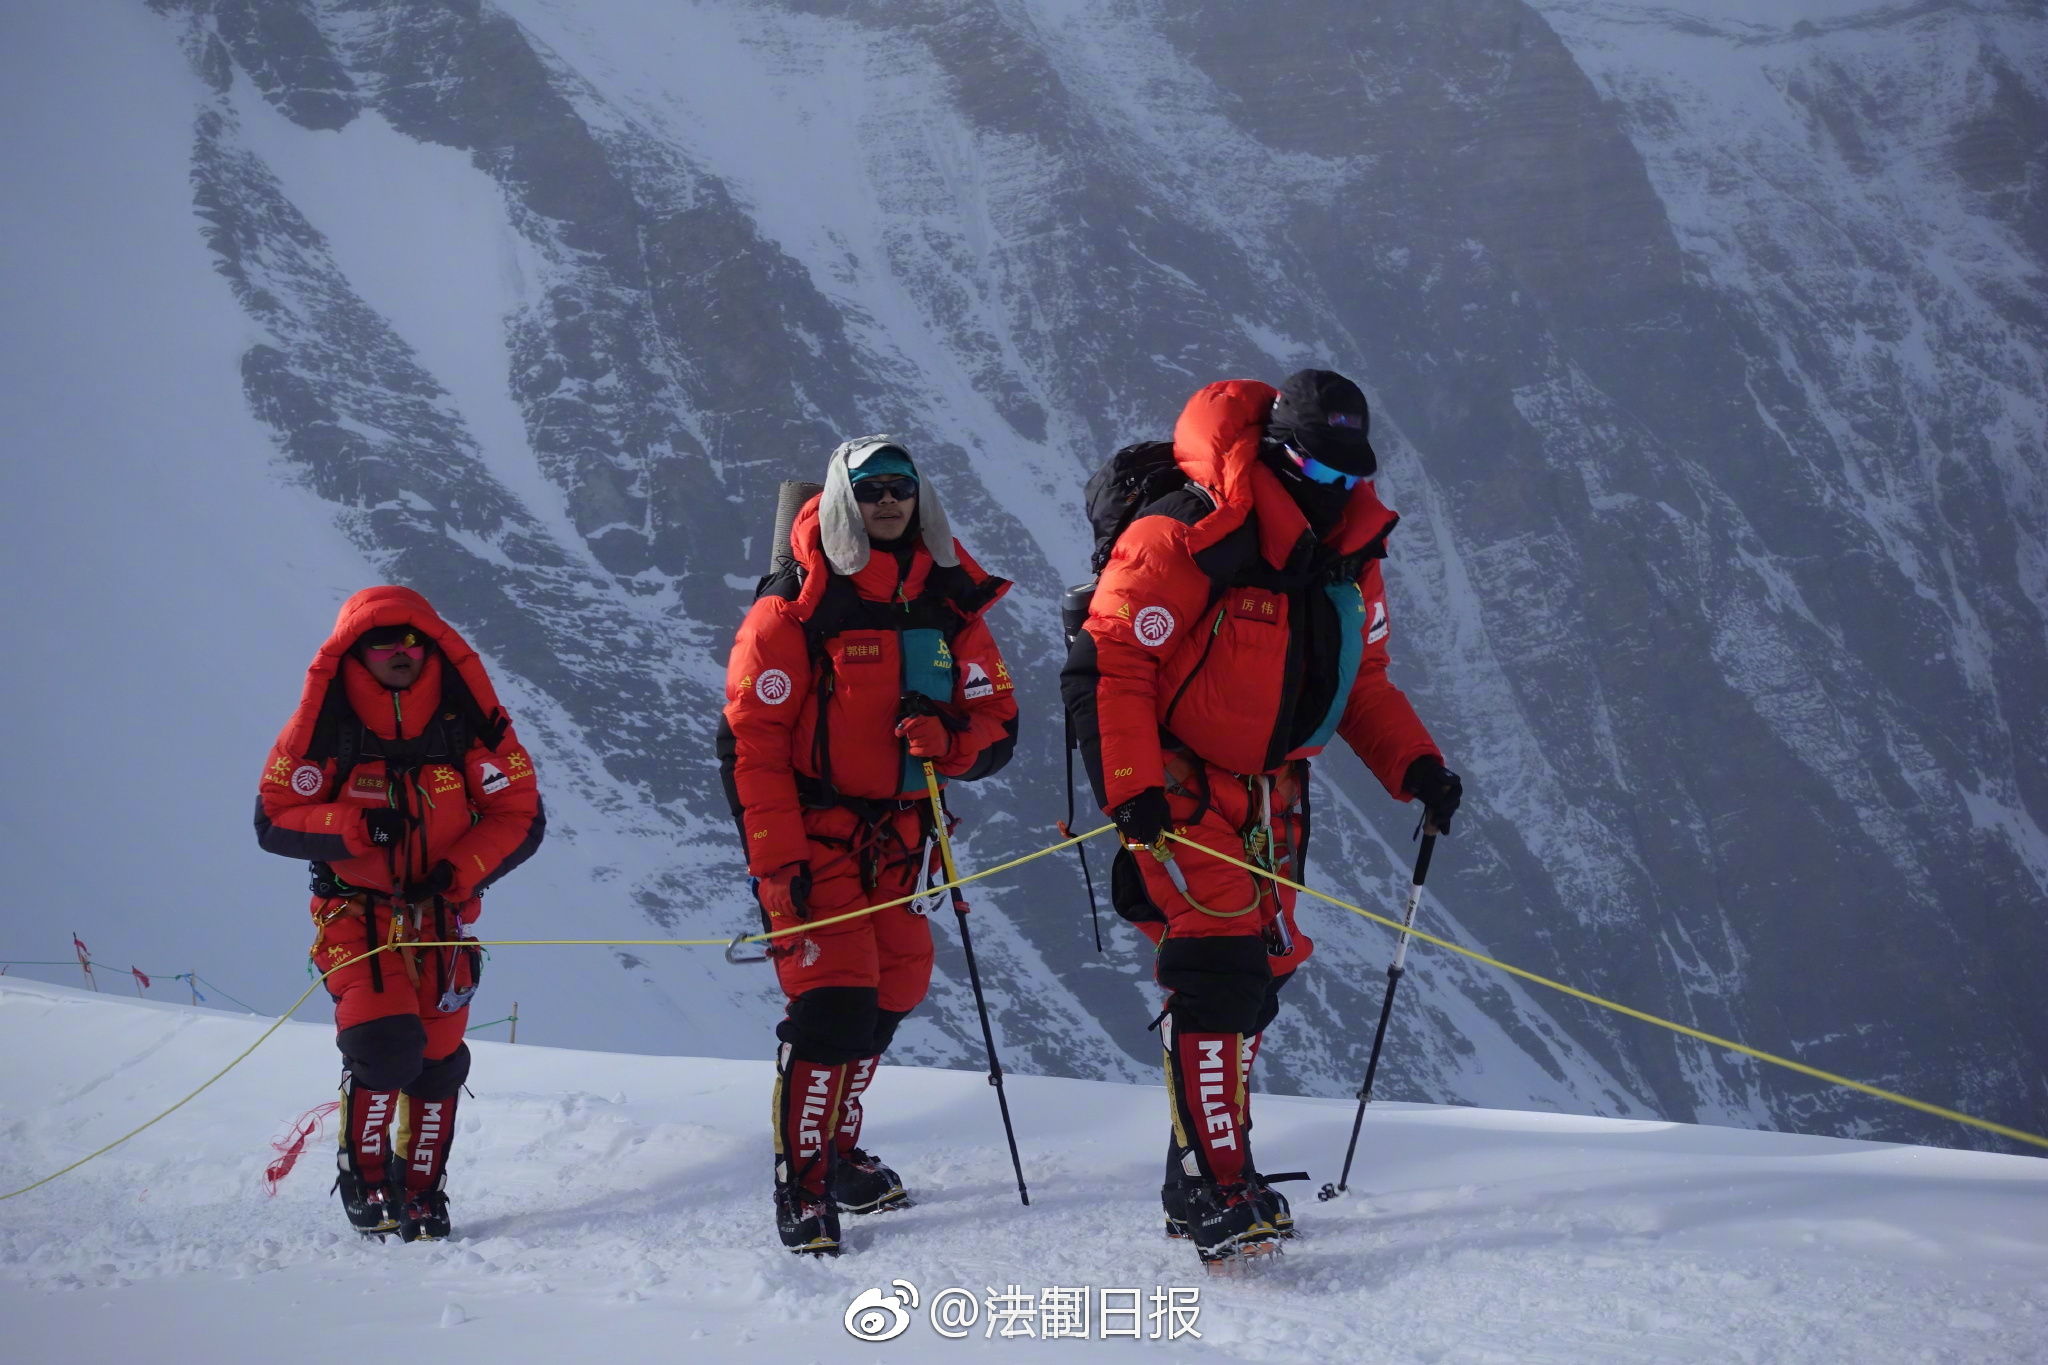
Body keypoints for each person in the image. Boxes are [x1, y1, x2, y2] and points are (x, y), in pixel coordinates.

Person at [1062, 371, 1463, 1265]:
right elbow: (1110, 661)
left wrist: (1418, 766)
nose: (1335, 491)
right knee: (1218, 970)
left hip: (1272, 789)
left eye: (1349, 476)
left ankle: (1195, 1179)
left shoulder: (1349, 555)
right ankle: (1218, 1187)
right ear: (1280, 452)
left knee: (1262, 976)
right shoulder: (1187, 530)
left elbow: (1362, 685)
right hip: (1175, 781)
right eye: (1319, 472)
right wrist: (1129, 788)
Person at [719, 438, 1019, 1255]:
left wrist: (948, 739)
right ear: (848, 501)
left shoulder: (949, 602)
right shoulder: (796, 606)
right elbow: (751, 746)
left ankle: (837, 1148)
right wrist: (777, 866)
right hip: (816, 839)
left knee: (893, 988)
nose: (889, 502)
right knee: (833, 1005)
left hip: (901, 840)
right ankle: (805, 1183)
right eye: (873, 489)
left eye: (901, 488)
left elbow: (999, 724)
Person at [255, 586, 545, 1241]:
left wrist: (455, 872)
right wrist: (356, 827)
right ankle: (364, 1176)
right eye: (385, 641)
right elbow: (273, 817)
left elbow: (520, 813)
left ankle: (420, 1189)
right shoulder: (326, 726)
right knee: (384, 1046)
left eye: (414, 640)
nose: (403, 652)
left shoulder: (463, 720)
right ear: (355, 651)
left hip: (439, 917)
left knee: (440, 1063)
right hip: (353, 915)